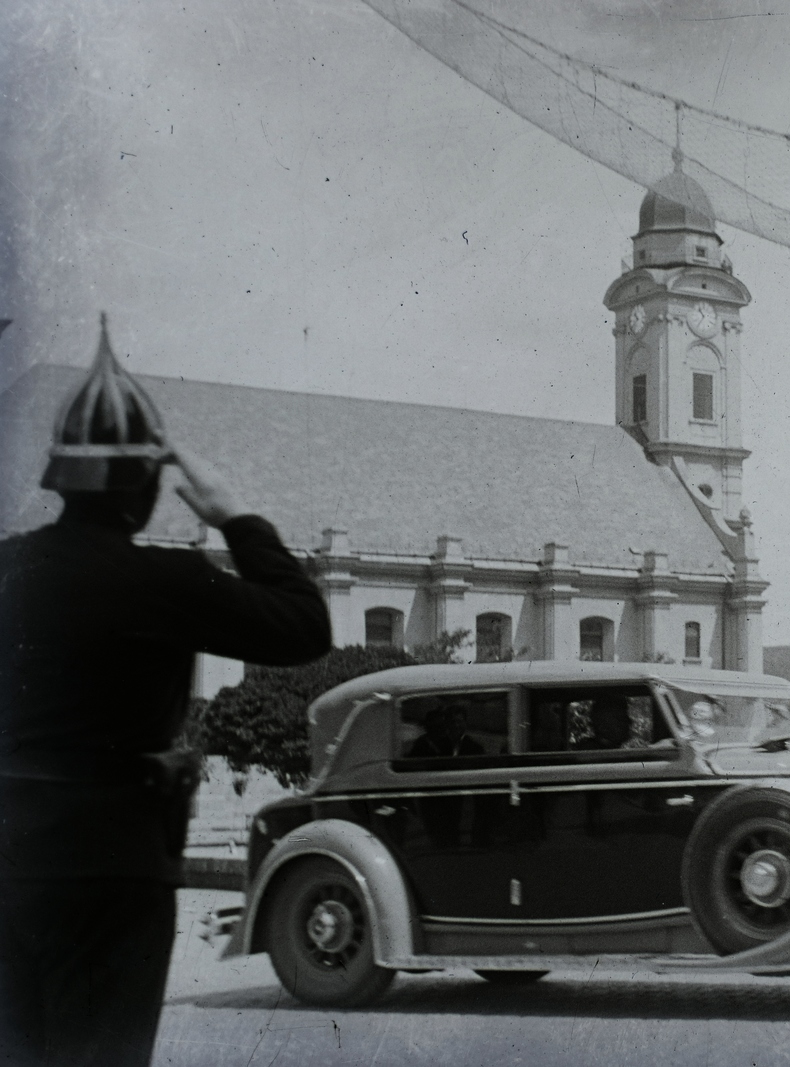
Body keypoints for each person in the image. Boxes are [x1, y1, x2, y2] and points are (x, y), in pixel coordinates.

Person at [0, 317, 332, 1067]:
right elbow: (306, 625)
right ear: (148, 487)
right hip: (117, 864)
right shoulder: (165, 583)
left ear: (60, 478)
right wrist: (237, 517)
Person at [406, 705, 485, 758]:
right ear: (446, 723)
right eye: (452, 722)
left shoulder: (476, 749)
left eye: (459, 721)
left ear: (465, 723)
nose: (456, 725)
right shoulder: (436, 746)